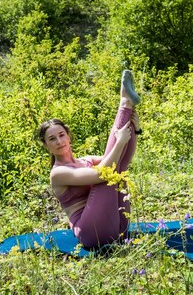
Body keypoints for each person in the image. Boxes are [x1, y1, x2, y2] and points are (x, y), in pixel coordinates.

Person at [38, 70, 142, 249]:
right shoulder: (58, 173)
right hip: (91, 232)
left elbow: (122, 159)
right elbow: (102, 175)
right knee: (107, 174)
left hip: (119, 227)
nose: (59, 141)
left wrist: (136, 129)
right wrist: (120, 140)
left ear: (69, 136)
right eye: (52, 139)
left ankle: (127, 106)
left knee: (118, 165)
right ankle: (124, 103)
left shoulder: (84, 161)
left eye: (61, 135)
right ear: (46, 145)